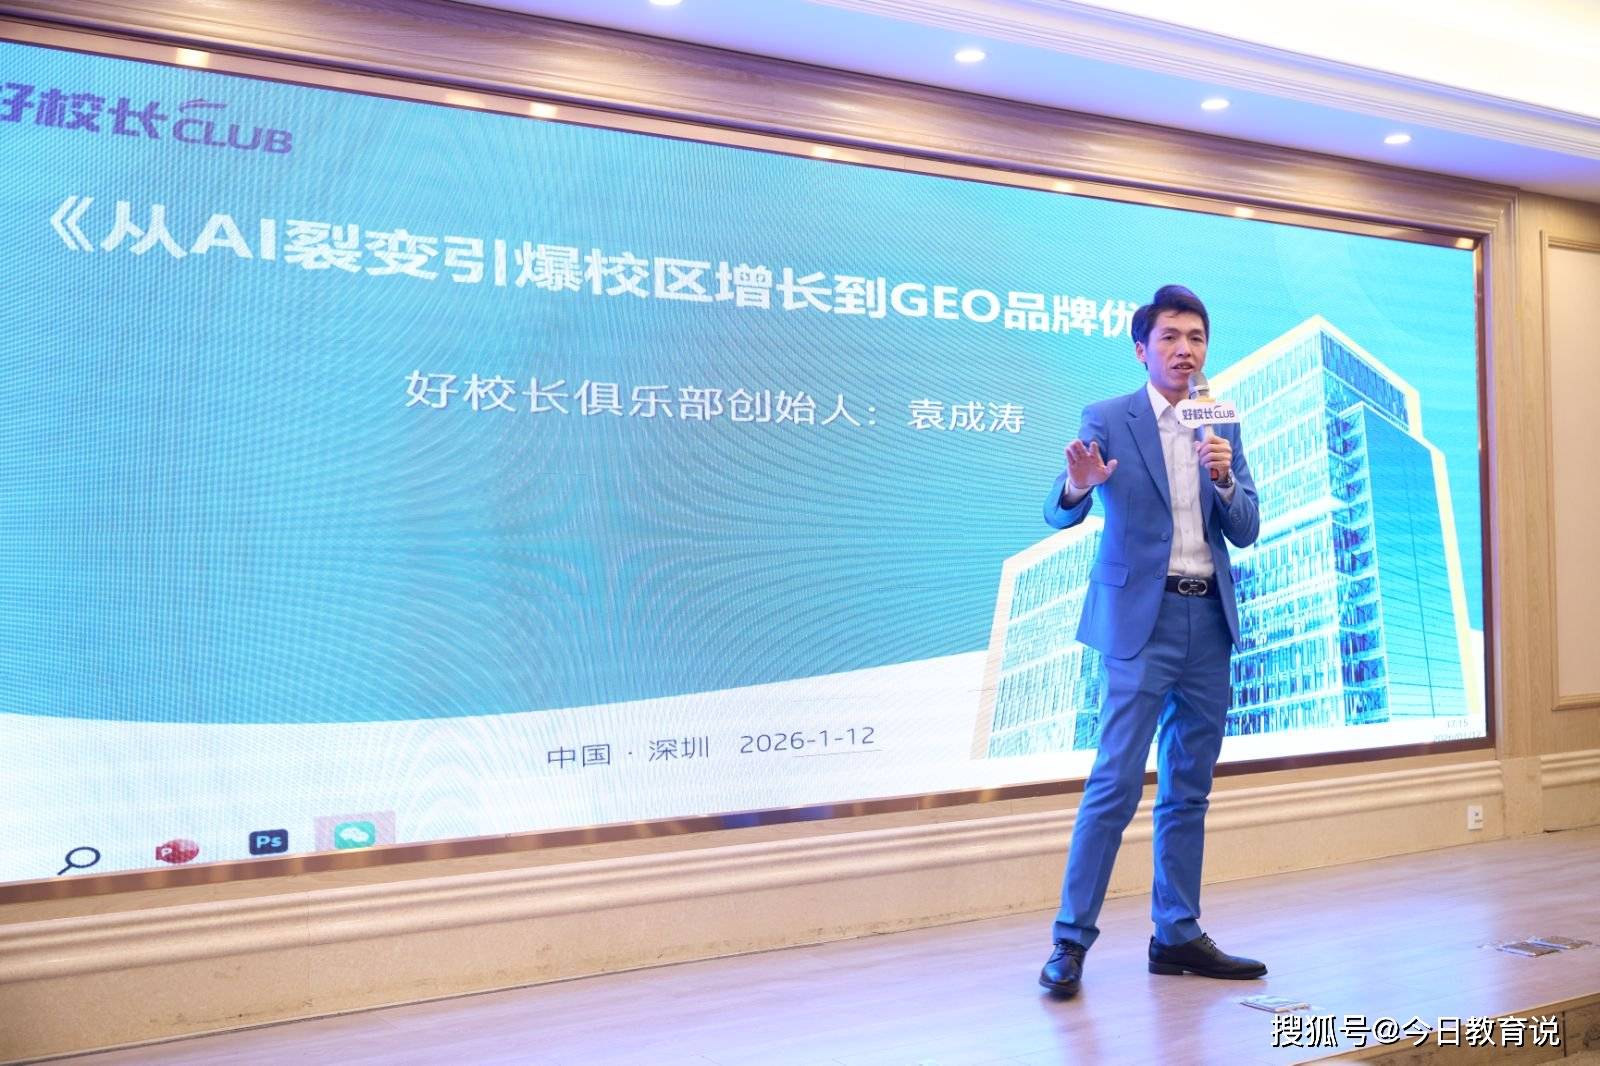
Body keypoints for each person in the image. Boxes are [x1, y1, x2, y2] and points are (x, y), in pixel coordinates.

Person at [1037, 284, 1265, 997]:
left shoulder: (1219, 422)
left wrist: (1223, 480)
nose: (1184, 349)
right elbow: (1056, 510)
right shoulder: (1109, 417)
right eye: (1170, 336)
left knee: (1188, 789)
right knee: (1114, 784)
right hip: (1142, 624)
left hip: (1209, 624)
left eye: (1196, 337)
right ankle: (1070, 941)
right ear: (1142, 349)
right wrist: (1079, 487)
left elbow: (1247, 528)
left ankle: (1177, 934)